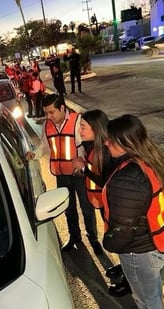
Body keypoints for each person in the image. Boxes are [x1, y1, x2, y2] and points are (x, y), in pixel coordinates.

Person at [102, 114, 164, 308]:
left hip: (140, 251)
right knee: (152, 291)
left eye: (111, 139)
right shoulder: (151, 159)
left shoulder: (129, 178)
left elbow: (123, 228)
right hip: (160, 241)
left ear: (127, 143)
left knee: (145, 300)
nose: (106, 143)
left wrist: (109, 242)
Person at [25, 94, 101, 254]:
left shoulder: (77, 123)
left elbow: (90, 145)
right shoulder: (47, 126)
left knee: (87, 208)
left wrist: (85, 166)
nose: (48, 116)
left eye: (51, 112)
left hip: (79, 174)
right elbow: (45, 146)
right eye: (46, 113)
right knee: (68, 208)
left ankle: (93, 239)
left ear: (62, 108)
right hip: (61, 174)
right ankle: (75, 237)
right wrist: (35, 154)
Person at [72, 109, 131, 296]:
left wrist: (84, 169)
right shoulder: (91, 147)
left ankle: (130, 281)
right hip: (102, 202)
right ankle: (125, 269)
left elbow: (108, 181)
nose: (79, 130)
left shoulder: (105, 151)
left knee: (123, 242)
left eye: (83, 127)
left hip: (112, 205)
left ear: (96, 129)